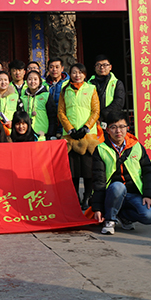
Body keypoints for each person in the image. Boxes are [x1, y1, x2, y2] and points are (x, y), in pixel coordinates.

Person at [92, 111, 151, 235]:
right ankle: (110, 220)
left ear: (127, 128)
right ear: (107, 130)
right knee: (118, 186)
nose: (118, 131)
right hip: (111, 194)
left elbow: (148, 172)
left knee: (150, 216)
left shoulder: (137, 147)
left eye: (122, 126)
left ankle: (124, 216)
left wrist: (149, 195)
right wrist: (97, 207)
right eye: (113, 127)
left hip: (133, 193)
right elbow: (98, 180)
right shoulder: (101, 149)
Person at [58, 63, 100, 210]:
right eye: (74, 72)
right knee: (73, 171)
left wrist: (86, 127)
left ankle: (87, 197)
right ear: (70, 74)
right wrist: (70, 129)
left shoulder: (91, 88)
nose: (77, 75)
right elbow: (61, 112)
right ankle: (75, 196)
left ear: (85, 74)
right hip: (71, 137)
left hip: (88, 137)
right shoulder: (65, 90)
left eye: (80, 72)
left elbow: (96, 110)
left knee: (88, 171)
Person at [88, 54, 126, 124]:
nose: (102, 67)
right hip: (92, 121)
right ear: (95, 68)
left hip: (111, 120)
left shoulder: (117, 83)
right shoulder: (88, 84)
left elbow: (119, 102)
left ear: (110, 67)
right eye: (98, 65)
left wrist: (102, 115)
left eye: (105, 65)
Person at [21, 70, 56, 140]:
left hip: (43, 134)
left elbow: (52, 116)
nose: (32, 82)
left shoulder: (46, 95)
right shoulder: (23, 98)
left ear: (40, 81)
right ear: (26, 81)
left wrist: (50, 134)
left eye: (35, 79)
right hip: (27, 134)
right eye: (30, 79)